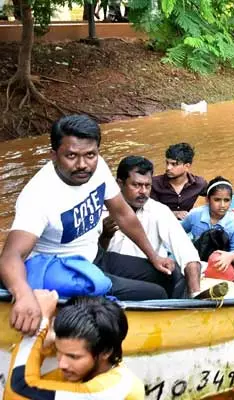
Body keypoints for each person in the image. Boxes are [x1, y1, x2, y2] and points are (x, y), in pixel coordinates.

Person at [0, 115, 175, 334]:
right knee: (156, 294)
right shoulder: (38, 196)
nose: (82, 165)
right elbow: (11, 255)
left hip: (96, 256)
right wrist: (24, 295)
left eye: (90, 155)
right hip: (70, 272)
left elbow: (123, 215)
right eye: (71, 156)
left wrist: (154, 256)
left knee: (170, 275)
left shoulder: (97, 167)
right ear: (53, 155)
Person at [6, 290, 144, 399]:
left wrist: (40, 327)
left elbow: (18, 390)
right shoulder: (80, 373)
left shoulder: (113, 389)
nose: (62, 365)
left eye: (73, 357)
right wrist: (43, 347)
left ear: (106, 352)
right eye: (58, 351)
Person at [98, 156, 202, 297]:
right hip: (113, 278)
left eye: (147, 186)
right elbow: (94, 258)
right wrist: (106, 236)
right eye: (136, 185)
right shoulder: (99, 212)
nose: (143, 191)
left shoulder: (159, 211)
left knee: (175, 274)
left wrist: (196, 294)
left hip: (150, 276)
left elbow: (187, 252)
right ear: (119, 184)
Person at [181, 177, 234, 279]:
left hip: (221, 263)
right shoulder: (195, 215)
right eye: (217, 200)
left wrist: (230, 256)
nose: (222, 205)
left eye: (227, 200)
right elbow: (179, 233)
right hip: (196, 260)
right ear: (207, 199)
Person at [150, 142, 207, 220]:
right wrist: (173, 213)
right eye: (167, 163)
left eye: (174, 164)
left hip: (186, 225)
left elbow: (217, 193)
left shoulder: (199, 183)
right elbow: (148, 210)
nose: (168, 168)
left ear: (187, 166)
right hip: (161, 224)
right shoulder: (154, 183)